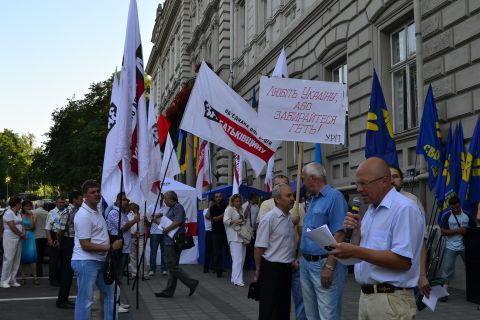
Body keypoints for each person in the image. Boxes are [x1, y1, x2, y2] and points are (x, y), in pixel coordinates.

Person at [331, 157, 425, 320]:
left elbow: (402, 261)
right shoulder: (370, 211)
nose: (358, 189)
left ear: (384, 181)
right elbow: (363, 254)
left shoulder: (404, 208)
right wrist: (355, 235)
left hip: (391, 301)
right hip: (367, 298)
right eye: (356, 184)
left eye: (363, 183)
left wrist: (355, 250)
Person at [300, 162, 348, 320]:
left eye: (304, 179)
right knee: (311, 314)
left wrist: (329, 266)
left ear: (312, 178)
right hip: (306, 263)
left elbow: (339, 234)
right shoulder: (313, 199)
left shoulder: (335, 197)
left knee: (327, 314)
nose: (303, 183)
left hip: (323, 263)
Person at [71, 179, 123, 320]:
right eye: (92, 192)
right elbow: (85, 244)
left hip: (101, 260)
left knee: (112, 294)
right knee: (85, 300)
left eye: (98, 191)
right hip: (86, 261)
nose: (97, 194)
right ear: (84, 196)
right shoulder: (83, 215)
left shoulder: (97, 209)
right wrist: (110, 247)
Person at [254, 183, 296, 320]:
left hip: (287, 269)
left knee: (283, 309)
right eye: (288, 195)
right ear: (277, 199)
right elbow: (259, 247)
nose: (292, 198)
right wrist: (258, 270)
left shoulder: (289, 218)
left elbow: (286, 245)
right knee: (269, 310)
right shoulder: (269, 219)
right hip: (271, 270)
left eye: (292, 195)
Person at [389, 165, 431, 297]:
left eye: (395, 176)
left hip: (406, 275)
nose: (392, 180)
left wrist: (422, 275)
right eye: (389, 177)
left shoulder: (412, 202)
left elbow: (421, 241)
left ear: (401, 180)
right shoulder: (375, 204)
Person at [155, 191, 199, 298]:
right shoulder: (172, 208)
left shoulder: (178, 207)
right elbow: (168, 222)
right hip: (170, 240)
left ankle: (191, 282)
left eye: (165, 199)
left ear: (171, 199)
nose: (164, 201)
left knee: (172, 266)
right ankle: (169, 291)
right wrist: (156, 220)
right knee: (172, 267)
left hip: (173, 241)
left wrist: (167, 229)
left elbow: (178, 221)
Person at [106, 192, 139, 313]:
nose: (126, 202)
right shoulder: (114, 213)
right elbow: (122, 227)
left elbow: (125, 230)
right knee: (116, 276)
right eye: (124, 200)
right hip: (118, 247)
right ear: (118, 200)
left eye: (127, 200)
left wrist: (132, 234)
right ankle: (115, 303)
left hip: (124, 247)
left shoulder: (122, 212)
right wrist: (135, 220)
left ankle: (118, 301)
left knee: (119, 276)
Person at [439, 196, 469, 302]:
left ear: (460, 204)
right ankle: (443, 293)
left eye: (457, 207)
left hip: (465, 246)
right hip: (450, 247)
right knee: (447, 271)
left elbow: (473, 229)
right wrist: (458, 230)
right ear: (450, 207)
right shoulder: (447, 216)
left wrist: (466, 232)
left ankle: (472, 291)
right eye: (453, 208)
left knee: (472, 269)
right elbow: (442, 232)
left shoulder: (467, 215)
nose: (455, 210)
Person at [56, 191, 82, 309]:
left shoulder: (76, 210)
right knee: (67, 272)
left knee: (69, 272)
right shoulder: (68, 210)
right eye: (81, 199)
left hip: (71, 241)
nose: (82, 201)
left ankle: (64, 299)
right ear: (74, 199)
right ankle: (61, 301)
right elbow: (60, 230)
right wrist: (61, 243)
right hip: (67, 241)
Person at [223, 194, 248, 286]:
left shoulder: (240, 210)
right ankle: (238, 280)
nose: (238, 203)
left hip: (241, 236)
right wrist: (236, 221)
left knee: (241, 259)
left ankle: (235, 278)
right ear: (232, 202)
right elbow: (225, 221)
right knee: (238, 259)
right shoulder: (229, 209)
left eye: (239, 201)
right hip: (234, 237)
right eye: (236, 201)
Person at [1, 196, 25, 288]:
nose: (21, 205)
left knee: (16, 259)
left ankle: (12, 279)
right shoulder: (8, 212)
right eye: (20, 204)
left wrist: (23, 232)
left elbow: (22, 224)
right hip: (10, 237)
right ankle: (4, 281)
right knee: (8, 259)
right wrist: (21, 234)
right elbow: (12, 226)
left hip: (18, 237)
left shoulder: (18, 213)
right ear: (17, 204)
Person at [46, 196, 67, 286]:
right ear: (56, 203)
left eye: (63, 202)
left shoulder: (66, 212)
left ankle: (61, 278)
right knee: (54, 259)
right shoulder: (51, 213)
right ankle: (53, 279)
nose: (61, 204)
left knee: (63, 259)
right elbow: (47, 228)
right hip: (54, 235)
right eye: (60, 202)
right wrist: (50, 239)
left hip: (65, 236)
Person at [208, 192, 229, 277]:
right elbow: (214, 219)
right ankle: (218, 271)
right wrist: (224, 214)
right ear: (215, 198)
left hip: (226, 232)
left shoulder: (226, 206)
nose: (218, 198)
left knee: (228, 251)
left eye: (220, 196)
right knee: (217, 252)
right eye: (217, 197)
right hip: (216, 233)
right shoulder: (212, 208)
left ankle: (230, 267)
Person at [147, 194, 168, 276]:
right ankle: (152, 269)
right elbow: (149, 219)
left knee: (164, 251)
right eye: (158, 196)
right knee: (153, 252)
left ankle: (164, 269)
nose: (160, 198)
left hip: (164, 231)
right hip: (154, 232)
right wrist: (152, 217)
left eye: (162, 197)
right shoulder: (151, 207)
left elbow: (165, 215)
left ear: (163, 198)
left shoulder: (166, 206)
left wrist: (157, 215)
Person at [128, 202, 149, 280]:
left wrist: (147, 221)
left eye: (131, 204)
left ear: (136, 205)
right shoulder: (128, 214)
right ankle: (134, 273)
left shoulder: (143, 213)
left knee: (141, 255)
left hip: (141, 237)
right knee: (132, 256)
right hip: (131, 237)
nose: (130, 206)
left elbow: (148, 225)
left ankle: (145, 273)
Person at [19, 200, 38, 285]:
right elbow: (20, 225)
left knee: (32, 257)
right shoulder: (20, 215)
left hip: (30, 235)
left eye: (29, 206)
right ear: (23, 207)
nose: (28, 208)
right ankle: (23, 277)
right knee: (22, 258)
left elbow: (32, 227)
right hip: (22, 235)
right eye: (26, 206)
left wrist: (30, 216)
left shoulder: (34, 215)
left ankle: (35, 277)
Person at [242, 193, 259, 269]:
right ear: (252, 198)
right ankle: (246, 265)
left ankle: (252, 264)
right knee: (247, 248)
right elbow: (243, 217)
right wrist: (248, 208)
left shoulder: (257, 206)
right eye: (256, 198)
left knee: (253, 247)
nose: (257, 199)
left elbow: (258, 217)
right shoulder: (244, 205)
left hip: (254, 229)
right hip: (247, 229)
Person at [33, 200, 48, 277]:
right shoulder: (47, 213)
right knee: (42, 255)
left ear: (36, 205)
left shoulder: (33, 212)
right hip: (45, 235)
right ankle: (41, 271)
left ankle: (38, 272)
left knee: (37, 255)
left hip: (36, 235)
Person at [203, 206, 213, 273]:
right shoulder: (205, 210)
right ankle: (206, 268)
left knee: (217, 250)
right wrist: (209, 207)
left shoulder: (216, 209)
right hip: (209, 232)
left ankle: (216, 267)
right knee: (208, 251)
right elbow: (208, 216)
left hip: (216, 231)